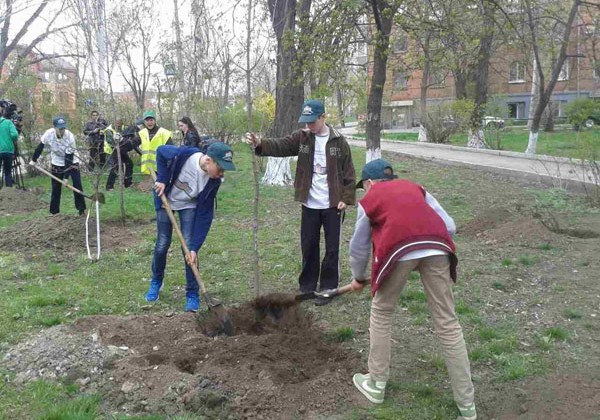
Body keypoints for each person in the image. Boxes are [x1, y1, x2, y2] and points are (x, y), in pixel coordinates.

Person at [348, 159, 476, 420]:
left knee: (382, 312)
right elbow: (450, 226)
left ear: (369, 183)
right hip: (438, 247)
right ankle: (467, 405)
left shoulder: (370, 200)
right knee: (448, 323)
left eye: (364, 186)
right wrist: (424, 251)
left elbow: (359, 246)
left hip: (398, 250)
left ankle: (376, 383)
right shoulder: (417, 188)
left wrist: (358, 277)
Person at [246, 99, 356, 306]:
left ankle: (328, 288)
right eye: (306, 121)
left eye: (312, 121)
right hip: (310, 204)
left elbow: (349, 171)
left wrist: (346, 198)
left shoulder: (339, 141)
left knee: (332, 249)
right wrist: (260, 143)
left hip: (333, 205)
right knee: (309, 245)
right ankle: (307, 286)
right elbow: (281, 145)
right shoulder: (303, 138)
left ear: (323, 117)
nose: (309, 125)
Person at [144, 142, 236, 312]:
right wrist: (162, 179)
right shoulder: (184, 155)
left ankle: (192, 294)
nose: (222, 174)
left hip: (189, 205)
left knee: (188, 250)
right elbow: (161, 151)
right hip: (165, 199)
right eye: (221, 168)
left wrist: (194, 247)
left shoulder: (213, 182)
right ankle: (156, 281)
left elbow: (205, 215)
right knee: (162, 243)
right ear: (208, 160)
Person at [30, 117, 86, 216]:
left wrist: (66, 177)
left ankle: (81, 210)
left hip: (72, 162)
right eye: (60, 128)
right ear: (55, 128)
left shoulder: (70, 136)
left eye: (63, 128)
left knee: (77, 185)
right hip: (56, 162)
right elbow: (40, 147)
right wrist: (33, 160)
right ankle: (54, 212)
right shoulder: (49, 134)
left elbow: (69, 158)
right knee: (56, 188)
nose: (62, 130)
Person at [133, 110, 173, 175]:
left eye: (151, 120)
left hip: (162, 166)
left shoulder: (163, 132)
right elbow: (133, 143)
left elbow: (171, 149)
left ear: (155, 121)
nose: (149, 122)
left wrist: (169, 163)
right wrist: (122, 141)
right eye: (147, 120)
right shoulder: (142, 133)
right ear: (144, 122)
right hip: (150, 167)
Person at [104, 119, 135, 191]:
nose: (119, 125)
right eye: (117, 123)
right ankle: (109, 186)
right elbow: (110, 142)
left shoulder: (123, 127)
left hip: (121, 149)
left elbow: (127, 135)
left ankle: (128, 183)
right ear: (114, 122)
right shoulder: (109, 130)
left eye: (120, 123)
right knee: (116, 167)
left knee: (129, 163)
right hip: (112, 150)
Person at [0, 113, 19, 188]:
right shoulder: (8, 122)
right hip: (8, 150)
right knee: (8, 171)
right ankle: (9, 190)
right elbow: (15, 135)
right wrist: (11, 140)